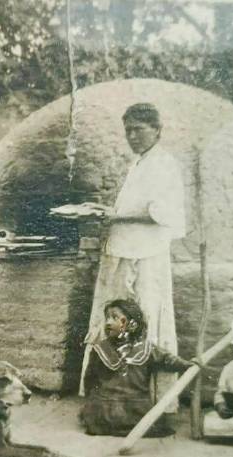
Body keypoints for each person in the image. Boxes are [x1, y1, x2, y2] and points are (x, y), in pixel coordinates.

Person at [77, 103, 186, 411]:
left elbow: (160, 213)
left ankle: (152, 399)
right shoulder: (139, 163)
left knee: (146, 314)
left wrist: (116, 217)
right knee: (115, 317)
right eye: (128, 131)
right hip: (125, 248)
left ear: (157, 130)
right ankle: (109, 394)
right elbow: (135, 208)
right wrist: (109, 214)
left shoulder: (164, 164)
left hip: (147, 253)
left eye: (138, 130)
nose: (132, 137)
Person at [80, 299, 196, 437]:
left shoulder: (145, 348)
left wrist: (187, 364)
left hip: (134, 407)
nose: (108, 322)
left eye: (115, 318)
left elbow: (167, 359)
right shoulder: (100, 349)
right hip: (107, 408)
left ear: (132, 324)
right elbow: (90, 379)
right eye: (107, 318)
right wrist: (92, 402)